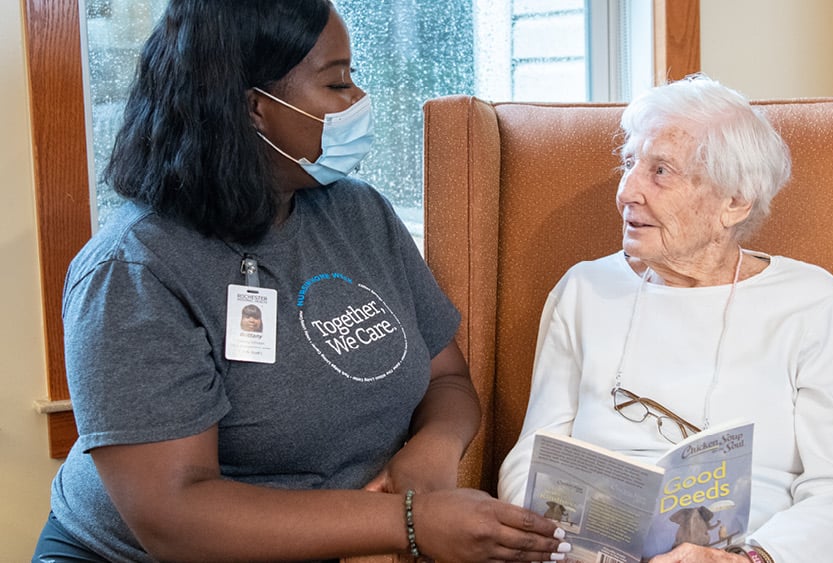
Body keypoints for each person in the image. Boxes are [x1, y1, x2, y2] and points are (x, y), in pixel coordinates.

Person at [33, 2, 570, 561]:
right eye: (337, 82)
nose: (359, 100)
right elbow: (175, 517)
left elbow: (448, 379)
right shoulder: (133, 271)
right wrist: (408, 522)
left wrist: (433, 448)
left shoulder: (359, 213)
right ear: (254, 109)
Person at [497, 74, 833, 563]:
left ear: (734, 203)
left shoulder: (809, 302)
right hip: (593, 546)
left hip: (756, 546)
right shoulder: (585, 289)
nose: (627, 192)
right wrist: (571, 542)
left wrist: (753, 560)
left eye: (660, 171)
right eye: (629, 163)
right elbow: (532, 458)